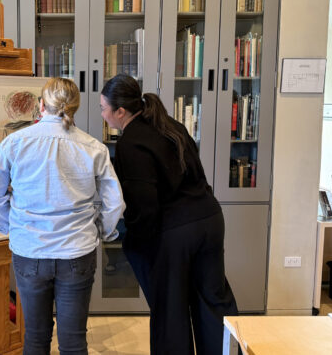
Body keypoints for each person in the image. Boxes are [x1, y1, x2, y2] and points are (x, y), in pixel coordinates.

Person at [0, 77, 125, 355]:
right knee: (73, 343)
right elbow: (114, 203)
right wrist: (102, 232)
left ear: (41, 105)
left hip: (30, 251)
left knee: (35, 338)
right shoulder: (94, 148)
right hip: (77, 252)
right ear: (75, 107)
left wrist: (12, 228)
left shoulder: (15, 143)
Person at [99, 74, 238, 355]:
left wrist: (131, 242)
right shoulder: (169, 124)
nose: (102, 115)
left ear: (120, 112)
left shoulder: (131, 142)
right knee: (212, 302)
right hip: (210, 219)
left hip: (176, 231)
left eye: (103, 108)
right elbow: (197, 173)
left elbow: (144, 206)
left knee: (170, 311)